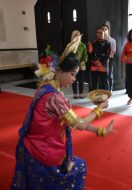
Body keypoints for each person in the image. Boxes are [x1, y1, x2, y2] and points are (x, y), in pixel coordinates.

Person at [11, 52, 115, 190]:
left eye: (76, 75)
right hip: (42, 151)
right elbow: (80, 124)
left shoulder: (45, 87)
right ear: (58, 71)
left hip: (33, 145)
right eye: (72, 74)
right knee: (79, 167)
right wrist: (99, 108)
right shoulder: (54, 97)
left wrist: (100, 130)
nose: (74, 79)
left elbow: (73, 122)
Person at [61, 30, 88, 99]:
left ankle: (81, 93)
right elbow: (65, 55)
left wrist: (80, 63)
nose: (77, 36)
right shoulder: (69, 45)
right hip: (72, 66)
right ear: (72, 36)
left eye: (78, 35)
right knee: (73, 79)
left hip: (81, 65)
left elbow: (85, 57)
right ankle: (75, 93)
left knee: (81, 80)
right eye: (75, 35)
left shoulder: (83, 45)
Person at [89, 27, 111, 91]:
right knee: (94, 83)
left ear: (104, 33)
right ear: (96, 34)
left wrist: (100, 62)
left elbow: (108, 55)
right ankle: (95, 98)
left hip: (103, 66)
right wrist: (95, 61)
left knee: (105, 83)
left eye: (101, 32)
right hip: (94, 65)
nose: (99, 34)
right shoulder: (93, 43)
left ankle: (106, 98)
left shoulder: (107, 43)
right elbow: (90, 54)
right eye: (98, 33)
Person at [102, 24, 116, 91]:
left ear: (108, 30)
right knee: (103, 75)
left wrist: (107, 58)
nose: (104, 30)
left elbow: (113, 51)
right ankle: (104, 89)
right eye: (103, 29)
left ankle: (110, 89)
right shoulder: (100, 39)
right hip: (101, 60)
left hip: (109, 59)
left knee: (110, 74)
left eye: (105, 29)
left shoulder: (112, 40)